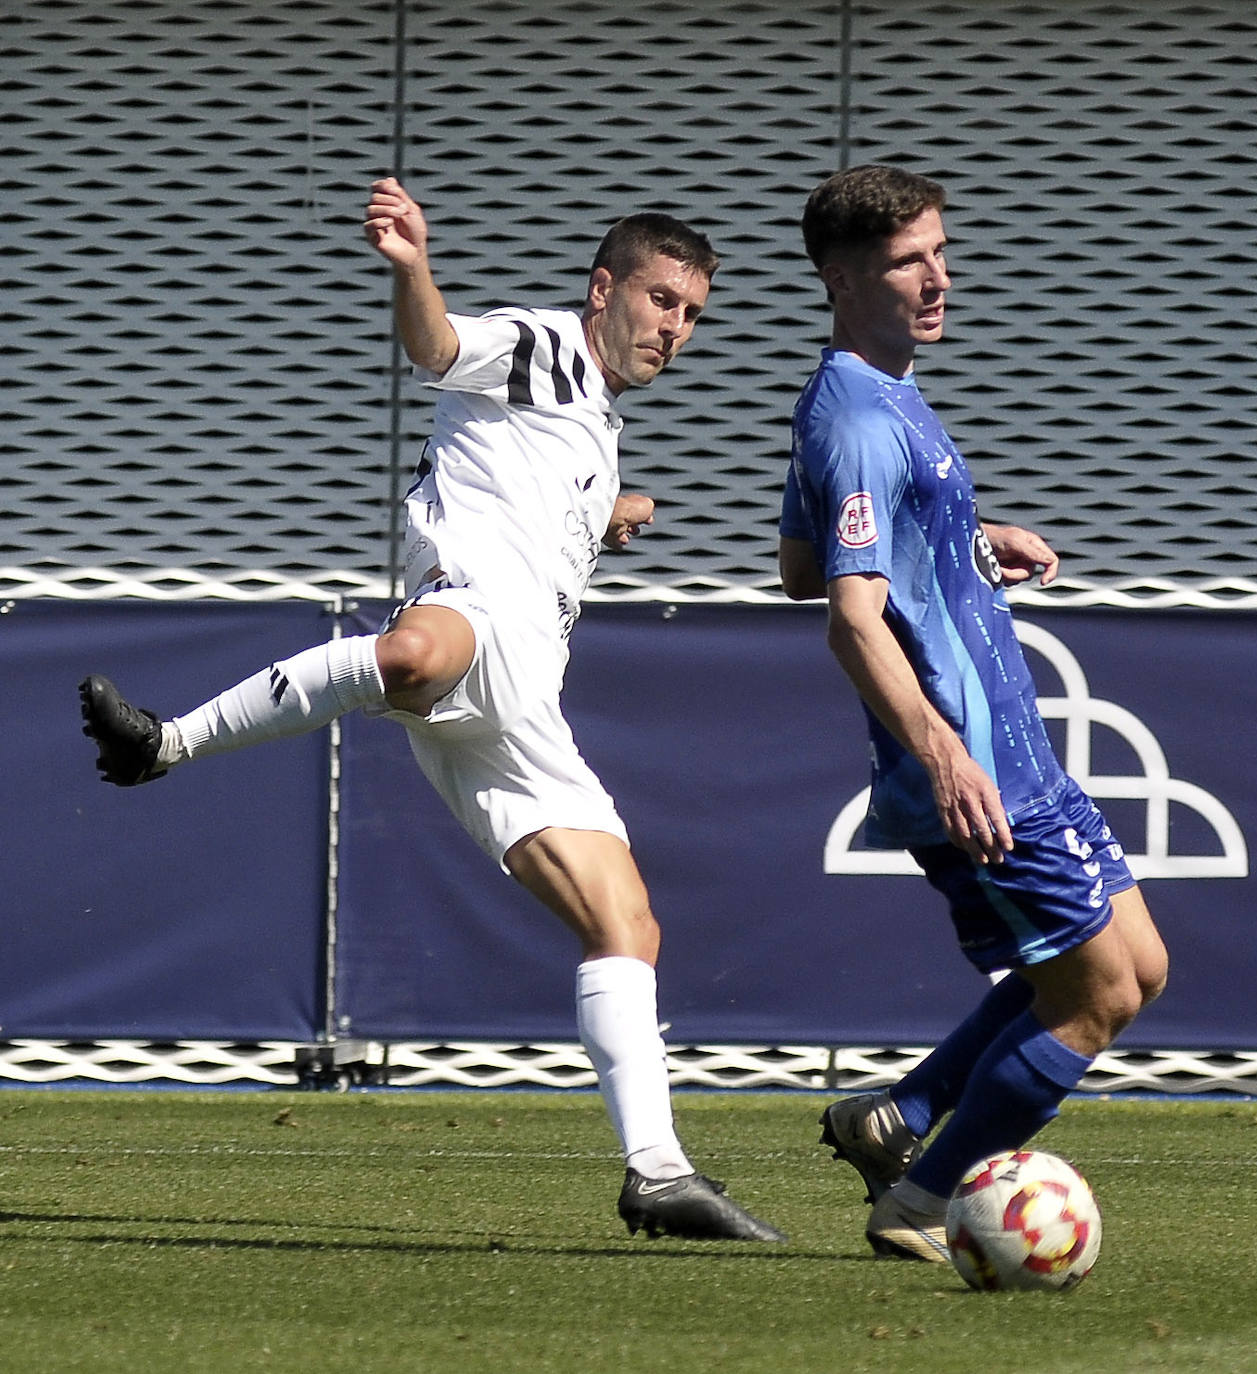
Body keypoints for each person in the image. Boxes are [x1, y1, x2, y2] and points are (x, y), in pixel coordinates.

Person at [80, 176, 783, 1245]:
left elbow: (536, 490)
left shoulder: (594, 422)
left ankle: (658, 1173)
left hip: (521, 711)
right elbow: (442, 348)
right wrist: (413, 269)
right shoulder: (546, 345)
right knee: (412, 652)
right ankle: (164, 743)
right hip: (471, 628)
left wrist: (610, 514)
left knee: (626, 925)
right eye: (660, 301)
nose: (674, 329)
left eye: (691, 314)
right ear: (604, 290)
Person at [778, 164, 1167, 1261]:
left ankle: (898, 1117)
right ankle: (922, 1199)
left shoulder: (887, 393)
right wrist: (943, 754)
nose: (940, 278)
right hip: (971, 763)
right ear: (842, 277)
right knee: (1093, 997)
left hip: (1016, 753)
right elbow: (847, 619)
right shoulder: (857, 414)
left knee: (1136, 965)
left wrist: (964, 542)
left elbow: (805, 562)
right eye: (911, 261)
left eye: (942, 251)